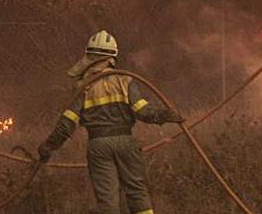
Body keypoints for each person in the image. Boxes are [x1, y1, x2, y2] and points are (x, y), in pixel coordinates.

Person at [37, 30, 184, 214]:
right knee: (137, 193)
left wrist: (48, 146)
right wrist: (166, 115)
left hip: (98, 146)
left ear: (89, 56)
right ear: (113, 56)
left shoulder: (82, 86)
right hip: (125, 142)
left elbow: (67, 123)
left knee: (107, 201)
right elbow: (143, 112)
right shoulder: (125, 80)